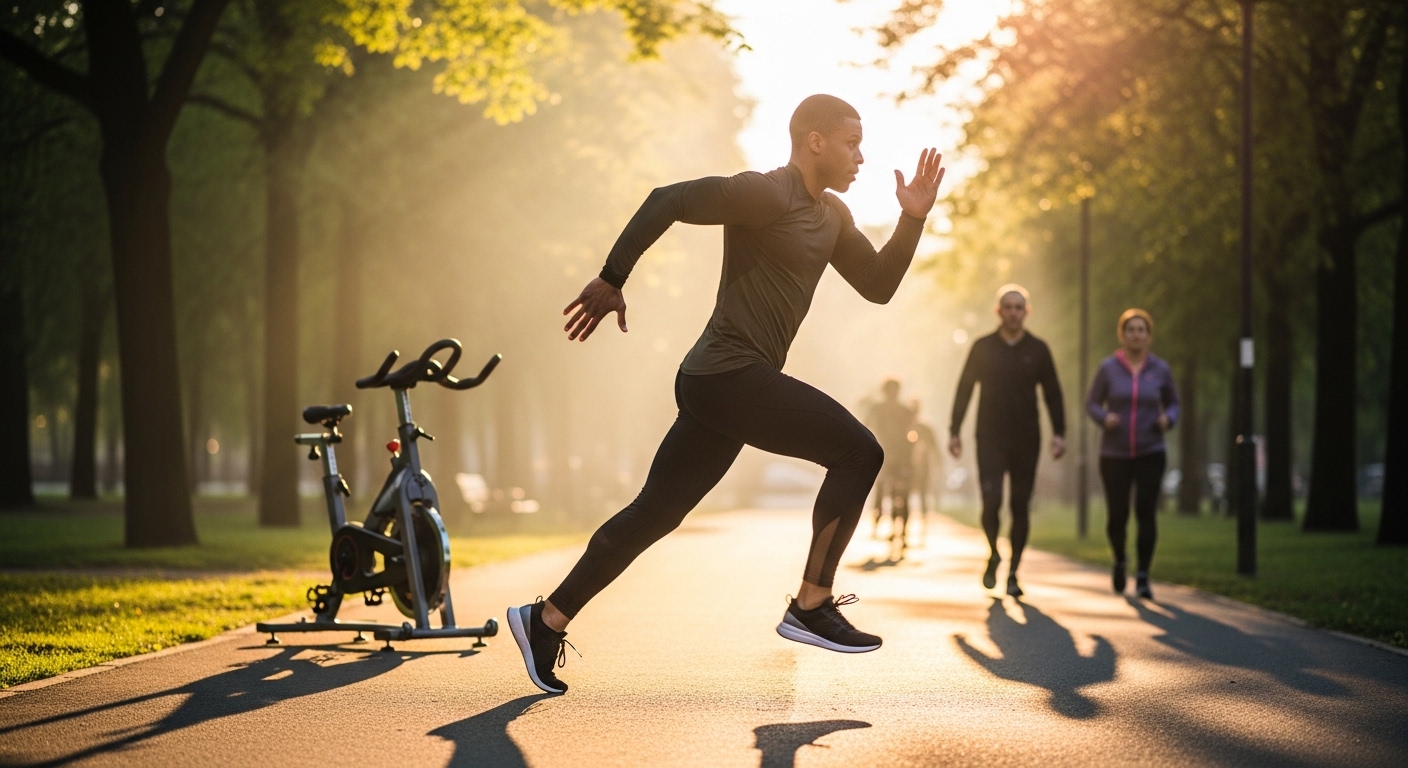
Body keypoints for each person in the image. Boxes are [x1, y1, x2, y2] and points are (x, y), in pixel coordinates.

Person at [507, 95, 946, 694]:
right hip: (726, 374)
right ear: (813, 141)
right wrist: (612, 277)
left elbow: (877, 285)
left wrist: (912, 219)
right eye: (850, 143)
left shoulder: (833, 217)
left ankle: (545, 618)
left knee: (657, 511)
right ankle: (812, 604)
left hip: (728, 384)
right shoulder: (766, 193)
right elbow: (668, 200)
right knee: (859, 452)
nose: (860, 156)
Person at [949, 285, 1066, 597]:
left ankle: (1013, 572)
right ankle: (993, 553)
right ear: (998, 311)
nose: (1013, 312)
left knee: (1020, 505)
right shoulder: (982, 347)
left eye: (1018, 307)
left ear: (1026, 312)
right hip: (989, 437)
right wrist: (954, 431)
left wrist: (1059, 433)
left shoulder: (1038, 349)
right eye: (1007, 306)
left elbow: (1053, 393)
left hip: (1027, 438)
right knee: (991, 502)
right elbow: (964, 389)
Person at [1087, 308, 1179, 600]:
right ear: (1122, 334)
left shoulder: (1160, 370)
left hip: (1150, 449)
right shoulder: (1108, 368)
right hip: (1114, 452)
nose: (1136, 334)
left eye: (1141, 330)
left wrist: (1169, 419)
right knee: (1117, 515)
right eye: (1131, 330)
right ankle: (1119, 559)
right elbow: (1091, 403)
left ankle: (1142, 576)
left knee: (1145, 511)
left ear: (1148, 336)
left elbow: (1174, 403)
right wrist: (1104, 418)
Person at [867, 379, 917, 556]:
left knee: (902, 495)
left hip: (902, 459)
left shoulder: (905, 411)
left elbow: (912, 434)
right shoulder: (877, 409)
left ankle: (902, 532)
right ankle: (879, 519)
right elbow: (867, 428)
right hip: (883, 457)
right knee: (881, 491)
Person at [907, 399, 940, 538]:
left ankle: (923, 526)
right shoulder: (905, 427)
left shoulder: (924, 429)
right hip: (908, 466)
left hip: (922, 467)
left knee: (922, 496)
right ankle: (905, 526)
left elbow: (934, 448)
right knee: (906, 495)